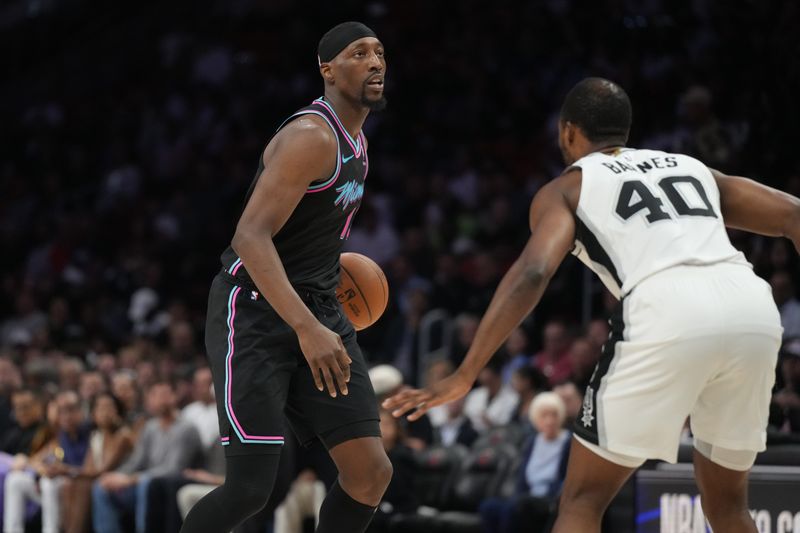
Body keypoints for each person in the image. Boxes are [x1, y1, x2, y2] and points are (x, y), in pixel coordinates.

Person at [384, 77, 800, 533]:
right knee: (729, 507)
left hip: (667, 306)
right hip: (752, 308)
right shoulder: (691, 167)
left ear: (567, 132)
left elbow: (534, 272)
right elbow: (791, 214)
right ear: (626, 129)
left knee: (582, 499)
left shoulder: (567, 188)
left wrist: (465, 372)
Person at [180, 21, 392, 533]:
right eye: (359, 53)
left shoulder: (357, 142)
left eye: (380, 53)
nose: (375, 62)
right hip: (254, 310)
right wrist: (307, 328)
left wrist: (323, 313)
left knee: (369, 473)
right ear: (327, 69)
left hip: (318, 307)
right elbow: (251, 236)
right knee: (251, 488)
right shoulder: (310, 137)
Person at [92, 381, 202, 533]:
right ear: (150, 400)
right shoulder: (150, 427)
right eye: (156, 396)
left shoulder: (187, 428)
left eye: (165, 395)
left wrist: (132, 479)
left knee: (146, 483)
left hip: (166, 488)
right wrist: (118, 475)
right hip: (143, 485)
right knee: (101, 485)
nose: (160, 400)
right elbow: (137, 461)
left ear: (174, 397)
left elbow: (175, 468)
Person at [478, 392, 571, 533]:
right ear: (536, 419)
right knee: (488, 506)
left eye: (554, 415)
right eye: (544, 416)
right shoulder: (533, 441)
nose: (549, 421)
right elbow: (523, 475)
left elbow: (565, 478)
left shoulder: (568, 441)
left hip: (549, 500)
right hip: (527, 497)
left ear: (561, 416)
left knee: (517, 507)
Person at [4, 390, 90, 533]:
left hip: (77, 482)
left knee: (49, 482)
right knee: (15, 479)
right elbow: (39, 460)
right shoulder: (60, 435)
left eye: (71, 410)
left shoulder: (90, 432)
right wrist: (37, 467)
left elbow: (91, 469)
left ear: (82, 410)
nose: (66, 416)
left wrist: (63, 470)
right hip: (58, 483)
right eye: (62, 411)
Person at [62, 392, 134, 533]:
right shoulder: (96, 436)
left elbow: (103, 470)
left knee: (84, 485)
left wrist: (65, 470)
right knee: (70, 485)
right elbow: (88, 468)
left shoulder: (123, 436)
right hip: (100, 481)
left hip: (121, 483)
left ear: (117, 411)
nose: (105, 412)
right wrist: (68, 472)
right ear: (93, 414)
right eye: (100, 408)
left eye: (109, 407)